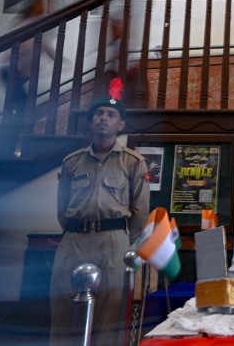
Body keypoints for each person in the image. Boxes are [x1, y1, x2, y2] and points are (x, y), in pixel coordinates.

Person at [49, 78, 149, 346]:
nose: (104, 118)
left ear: (121, 124)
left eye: (111, 114)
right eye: (99, 114)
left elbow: (139, 212)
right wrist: (76, 230)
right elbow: (62, 208)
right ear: (91, 122)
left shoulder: (132, 162)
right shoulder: (72, 162)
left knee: (110, 312)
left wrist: (123, 244)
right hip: (74, 240)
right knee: (63, 308)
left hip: (113, 240)